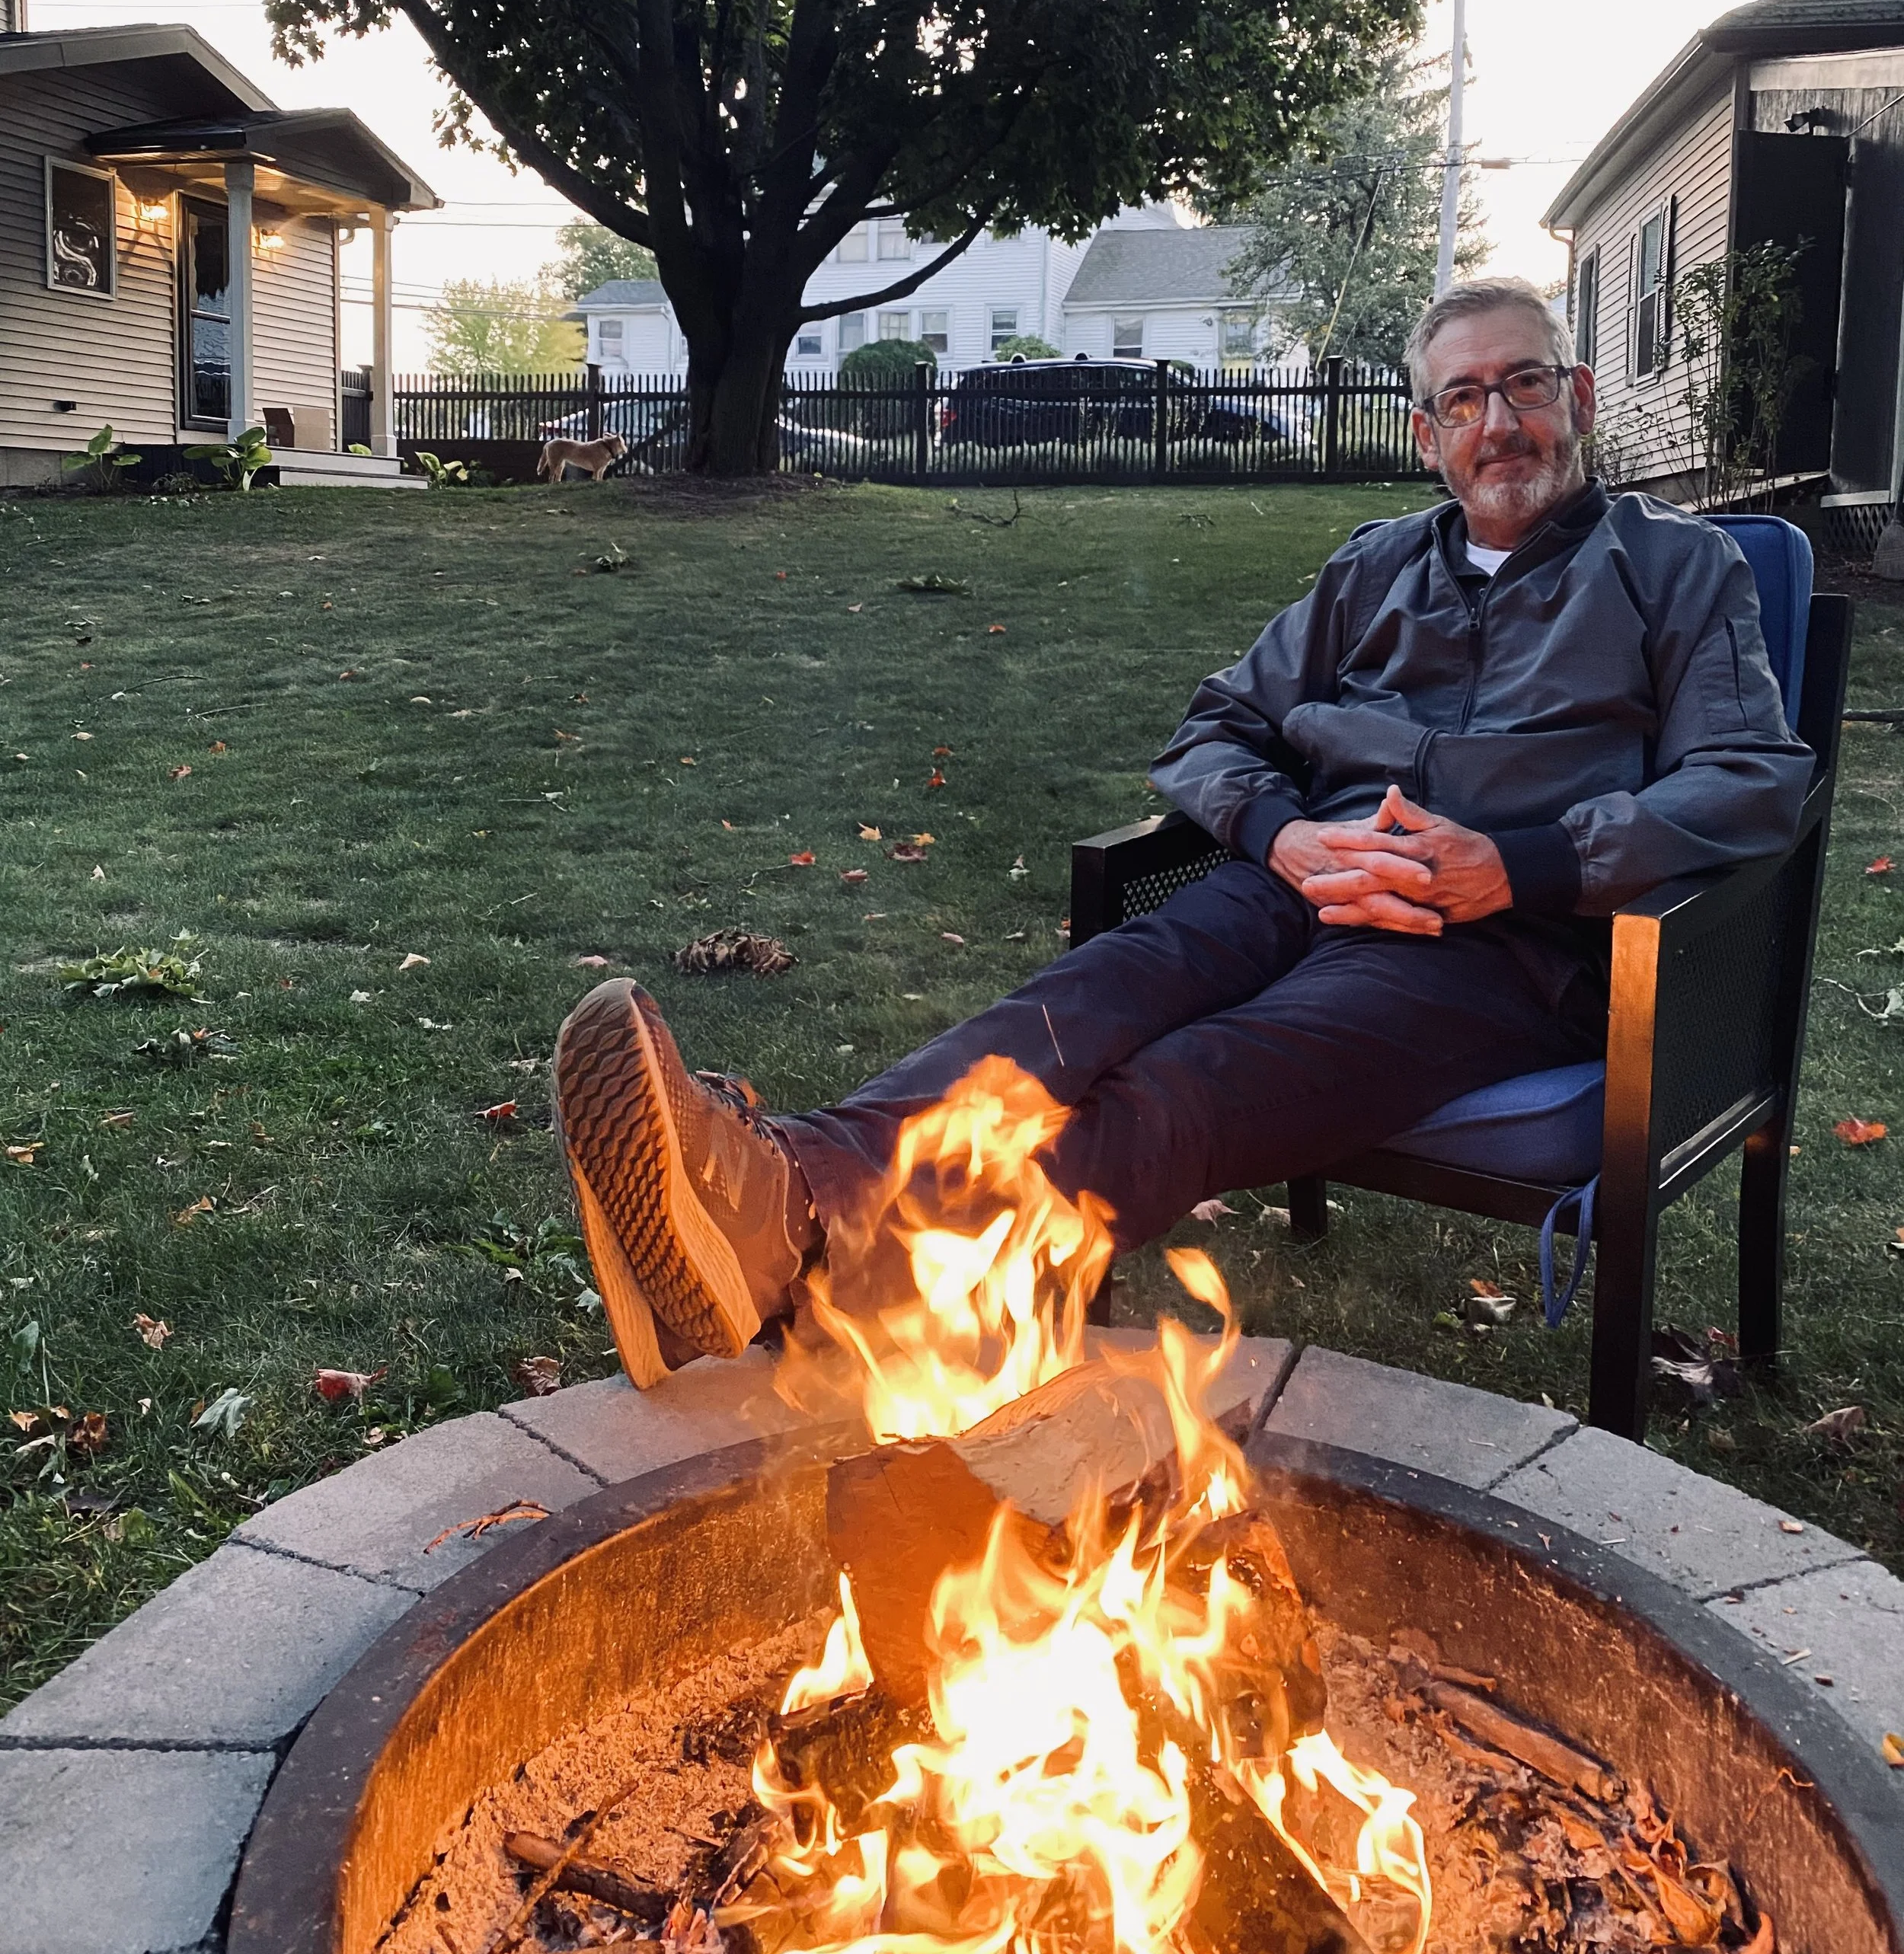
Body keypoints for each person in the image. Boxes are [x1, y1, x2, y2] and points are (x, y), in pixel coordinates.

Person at [552, 275, 1813, 1387]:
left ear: (1577, 396)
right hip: (1294, 883)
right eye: (1464, 400)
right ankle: (787, 1199)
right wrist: (1279, 835)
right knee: (1078, 1004)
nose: (1498, 425)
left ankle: (840, 1278)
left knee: (1183, 1087)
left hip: (1495, 940)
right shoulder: (1373, 570)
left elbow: (1753, 779)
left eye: (1522, 386)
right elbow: (1214, 727)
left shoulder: (1677, 569)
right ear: (1427, 434)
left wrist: (1518, 865)